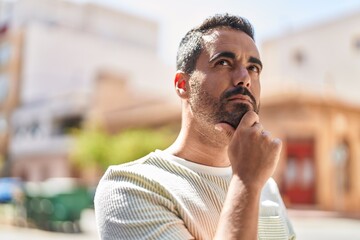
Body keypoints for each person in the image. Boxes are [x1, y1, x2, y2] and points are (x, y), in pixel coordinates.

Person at [94, 13, 296, 240]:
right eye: (224, 62)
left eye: (253, 68)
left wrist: (251, 181)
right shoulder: (131, 187)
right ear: (182, 85)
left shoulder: (266, 186)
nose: (244, 78)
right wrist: (246, 184)